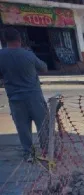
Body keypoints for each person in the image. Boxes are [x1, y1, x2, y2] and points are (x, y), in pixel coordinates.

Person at [0, 27, 48, 162]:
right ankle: (46, 151)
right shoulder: (28, 54)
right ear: (19, 39)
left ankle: (29, 154)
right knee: (42, 125)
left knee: (23, 128)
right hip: (34, 97)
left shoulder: (1, 56)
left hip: (15, 99)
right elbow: (43, 67)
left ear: (5, 40)